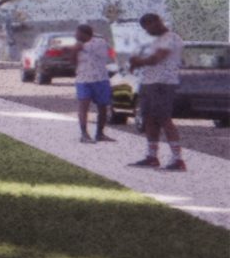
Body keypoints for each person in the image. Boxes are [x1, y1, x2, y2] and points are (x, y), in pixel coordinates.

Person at [127, 13, 188, 172]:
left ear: (156, 22)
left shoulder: (171, 38)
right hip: (149, 81)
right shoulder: (157, 40)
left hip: (163, 83)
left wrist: (137, 61)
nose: (147, 31)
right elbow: (147, 59)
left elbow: (156, 59)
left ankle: (177, 159)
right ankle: (152, 156)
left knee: (163, 118)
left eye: (148, 26)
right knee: (148, 119)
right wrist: (136, 63)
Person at [72, 22, 116, 144]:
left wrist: (76, 48)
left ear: (85, 34)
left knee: (102, 107)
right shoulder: (78, 45)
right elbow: (72, 60)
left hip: (100, 79)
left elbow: (87, 49)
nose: (75, 35)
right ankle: (84, 134)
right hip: (83, 80)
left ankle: (100, 133)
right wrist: (74, 53)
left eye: (77, 33)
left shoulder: (99, 42)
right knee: (83, 106)